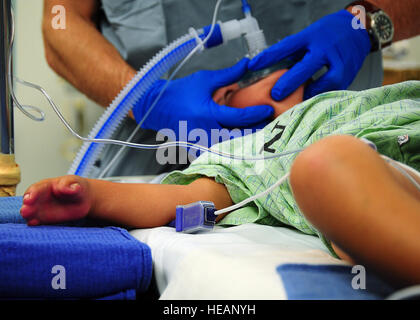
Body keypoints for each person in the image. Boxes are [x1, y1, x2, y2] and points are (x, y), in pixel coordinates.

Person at [19, 78, 420, 286]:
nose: (277, 79)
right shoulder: (254, 153)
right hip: (384, 177)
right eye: (232, 94)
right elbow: (182, 199)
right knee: (323, 167)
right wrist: (95, 195)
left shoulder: (354, 98)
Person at [41, 0, 419, 177]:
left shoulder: (355, 162)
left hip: (343, 159)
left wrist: (368, 23)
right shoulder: (180, 190)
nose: (268, 89)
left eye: (296, 81)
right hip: (147, 162)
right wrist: (145, 98)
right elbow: (59, 22)